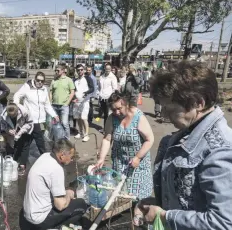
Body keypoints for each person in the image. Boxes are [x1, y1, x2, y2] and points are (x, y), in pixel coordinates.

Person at [134, 61, 232, 229]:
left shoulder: (219, 150)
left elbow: (223, 222)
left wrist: (165, 216)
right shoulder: (187, 131)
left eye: (171, 109)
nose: (164, 115)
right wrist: (159, 203)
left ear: (198, 103)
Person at [95, 91, 154, 200]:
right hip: (119, 163)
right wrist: (102, 158)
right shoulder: (111, 118)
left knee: (137, 198)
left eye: (119, 108)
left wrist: (138, 157)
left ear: (126, 104)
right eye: (113, 110)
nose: (116, 112)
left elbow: (149, 140)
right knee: (120, 194)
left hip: (137, 164)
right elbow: (107, 139)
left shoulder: (138, 117)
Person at [20, 139, 88, 230]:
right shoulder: (56, 169)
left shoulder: (45, 156)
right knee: (81, 204)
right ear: (62, 155)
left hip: (28, 212)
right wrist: (68, 194)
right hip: (40, 219)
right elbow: (60, 206)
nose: (72, 160)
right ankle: (56, 227)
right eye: (71, 157)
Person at [13, 72, 58, 156]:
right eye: (38, 80)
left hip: (40, 121)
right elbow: (17, 95)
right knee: (31, 142)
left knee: (35, 142)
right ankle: (23, 163)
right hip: (29, 120)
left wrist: (54, 115)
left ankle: (42, 160)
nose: (40, 82)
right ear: (35, 79)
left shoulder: (44, 89)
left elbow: (47, 105)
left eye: (42, 81)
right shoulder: (27, 86)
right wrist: (18, 107)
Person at [1, 103, 33, 175]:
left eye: (13, 116)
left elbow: (30, 123)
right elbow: (3, 125)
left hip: (25, 128)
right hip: (13, 130)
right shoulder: (3, 115)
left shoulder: (25, 112)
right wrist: (8, 130)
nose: (12, 117)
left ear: (17, 111)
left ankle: (22, 165)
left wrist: (20, 131)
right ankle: (15, 161)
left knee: (25, 146)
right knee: (15, 145)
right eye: (10, 116)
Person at [50, 64, 75, 139]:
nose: (56, 72)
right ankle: (56, 139)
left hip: (64, 106)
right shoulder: (54, 80)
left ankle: (67, 140)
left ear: (63, 70)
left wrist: (67, 103)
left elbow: (72, 92)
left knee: (64, 123)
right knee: (54, 123)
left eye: (58, 70)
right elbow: (51, 92)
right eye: (55, 70)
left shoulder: (69, 80)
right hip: (54, 105)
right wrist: (50, 102)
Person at [72, 64, 94, 142]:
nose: (80, 71)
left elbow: (92, 88)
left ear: (84, 70)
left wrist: (86, 93)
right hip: (77, 102)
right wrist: (73, 99)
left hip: (85, 102)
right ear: (76, 71)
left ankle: (86, 135)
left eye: (81, 69)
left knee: (84, 118)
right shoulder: (75, 80)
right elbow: (73, 91)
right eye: (78, 70)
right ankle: (80, 132)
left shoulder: (88, 78)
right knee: (78, 118)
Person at [98, 63, 118, 129]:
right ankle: (103, 127)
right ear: (104, 68)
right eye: (106, 68)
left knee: (107, 114)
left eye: (109, 69)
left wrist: (111, 98)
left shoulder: (113, 77)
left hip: (108, 98)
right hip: (101, 98)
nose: (108, 70)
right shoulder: (101, 77)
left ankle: (107, 129)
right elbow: (99, 87)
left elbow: (114, 88)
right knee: (103, 113)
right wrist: (98, 95)